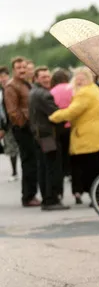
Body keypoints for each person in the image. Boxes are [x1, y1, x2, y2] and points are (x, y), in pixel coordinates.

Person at [49, 67, 99, 209]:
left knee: (89, 169)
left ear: (89, 78)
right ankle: (95, 197)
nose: (79, 80)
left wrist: (53, 117)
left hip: (87, 136)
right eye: (77, 78)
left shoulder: (85, 93)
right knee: (94, 167)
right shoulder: (93, 88)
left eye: (82, 78)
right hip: (96, 134)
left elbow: (72, 111)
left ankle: (96, 198)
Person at [29, 67, 69, 211]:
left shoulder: (33, 92)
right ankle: (51, 200)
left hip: (39, 135)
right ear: (36, 78)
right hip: (48, 136)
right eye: (43, 77)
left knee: (44, 168)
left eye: (47, 76)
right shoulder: (44, 94)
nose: (46, 79)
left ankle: (48, 198)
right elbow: (56, 114)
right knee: (52, 168)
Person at [4, 57, 40, 206]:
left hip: (30, 126)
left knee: (32, 162)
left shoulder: (26, 83)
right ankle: (28, 196)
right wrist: (24, 124)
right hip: (23, 128)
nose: (22, 70)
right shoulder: (11, 86)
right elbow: (13, 111)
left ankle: (31, 194)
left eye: (24, 67)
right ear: (14, 69)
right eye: (19, 68)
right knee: (29, 162)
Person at [50, 68, 73, 178]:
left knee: (62, 149)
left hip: (59, 124)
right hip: (72, 122)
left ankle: (64, 171)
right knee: (70, 148)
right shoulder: (72, 88)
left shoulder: (52, 91)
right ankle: (71, 170)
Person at [0, 66, 19, 181]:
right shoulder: (1, 92)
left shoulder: (14, 88)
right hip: (7, 124)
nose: (2, 79)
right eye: (0, 77)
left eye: (4, 76)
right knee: (11, 148)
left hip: (16, 122)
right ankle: (14, 172)